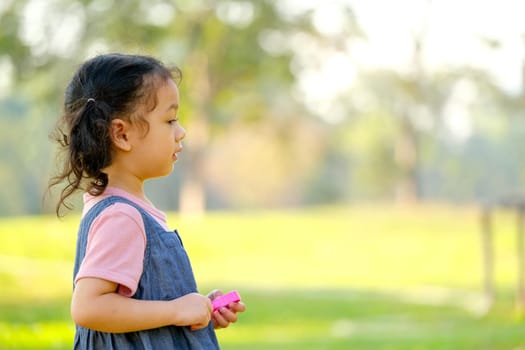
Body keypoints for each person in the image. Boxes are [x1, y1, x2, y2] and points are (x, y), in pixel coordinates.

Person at [48, 53, 245, 349]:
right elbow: (89, 307)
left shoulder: (128, 211)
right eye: (170, 120)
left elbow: (141, 301)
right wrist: (177, 310)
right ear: (121, 133)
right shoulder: (122, 217)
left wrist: (198, 308)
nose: (181, 132)